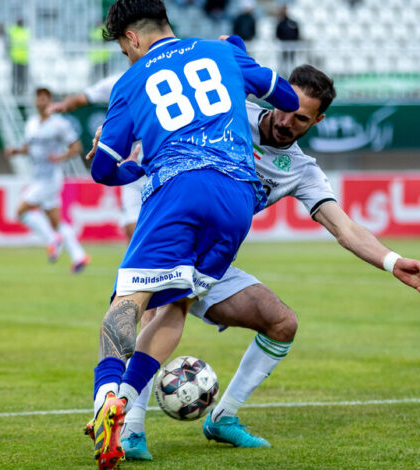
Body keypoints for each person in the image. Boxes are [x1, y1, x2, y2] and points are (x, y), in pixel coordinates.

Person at [117, 60, 420, 459]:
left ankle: (223, 418)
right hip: (174, 236)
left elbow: (346, 229)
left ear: (317, 121)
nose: (288, 121)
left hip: (214, 259)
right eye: (286, 107)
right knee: (164, 305)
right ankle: (129, 429)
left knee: (282, 323)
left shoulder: (303, 171)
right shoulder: (230, 112)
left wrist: (393, 262)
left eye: (302, 118)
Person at [85, 1, 300, 468]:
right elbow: (285, 99)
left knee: (129, 302)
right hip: (237, 197)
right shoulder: (220, 52)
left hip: (178, 187)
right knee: (175, 302)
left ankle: (107, 399)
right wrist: (241, 58)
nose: (127, 56)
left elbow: (102, 168)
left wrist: (135, 164)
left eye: (124, 49)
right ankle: (128, 405)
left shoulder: (130, 81)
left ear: (133, 39)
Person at [47, 74, 143, 241]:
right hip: (131, 170)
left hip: (162, 166)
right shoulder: (119, 81)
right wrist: (62, 105)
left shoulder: (162, 74)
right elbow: (83, 98)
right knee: (132, 232)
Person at [5, 88, 90, 273]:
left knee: (20, 211)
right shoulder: (32, 123)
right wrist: (17, 151)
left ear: (50, 101)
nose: (41, 102)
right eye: (38, 98)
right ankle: (79, 256)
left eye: (44, 98)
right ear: (35, 102)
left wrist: (61, 157)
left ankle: (52, 240)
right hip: (37, 176)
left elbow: (77, 147)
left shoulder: (59, 124)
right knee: (56, 222)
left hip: (50, 178)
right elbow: (30, 147)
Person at [276, 5, 300, 76]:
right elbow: (277, 33)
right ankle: (285, 74)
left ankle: (292, 73)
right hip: (284, 44)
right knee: (284, 60)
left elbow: (297, 32)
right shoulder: (280, 23)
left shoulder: (293, 22)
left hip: (292, 43)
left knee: (292, 59)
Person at [8, 19, 30, 95]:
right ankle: (14, 91)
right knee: (15, 77)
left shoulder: (26, 31)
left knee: (23, 78)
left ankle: (23, 91)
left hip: (24, 59)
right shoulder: (13, 30)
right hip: (15, 59)